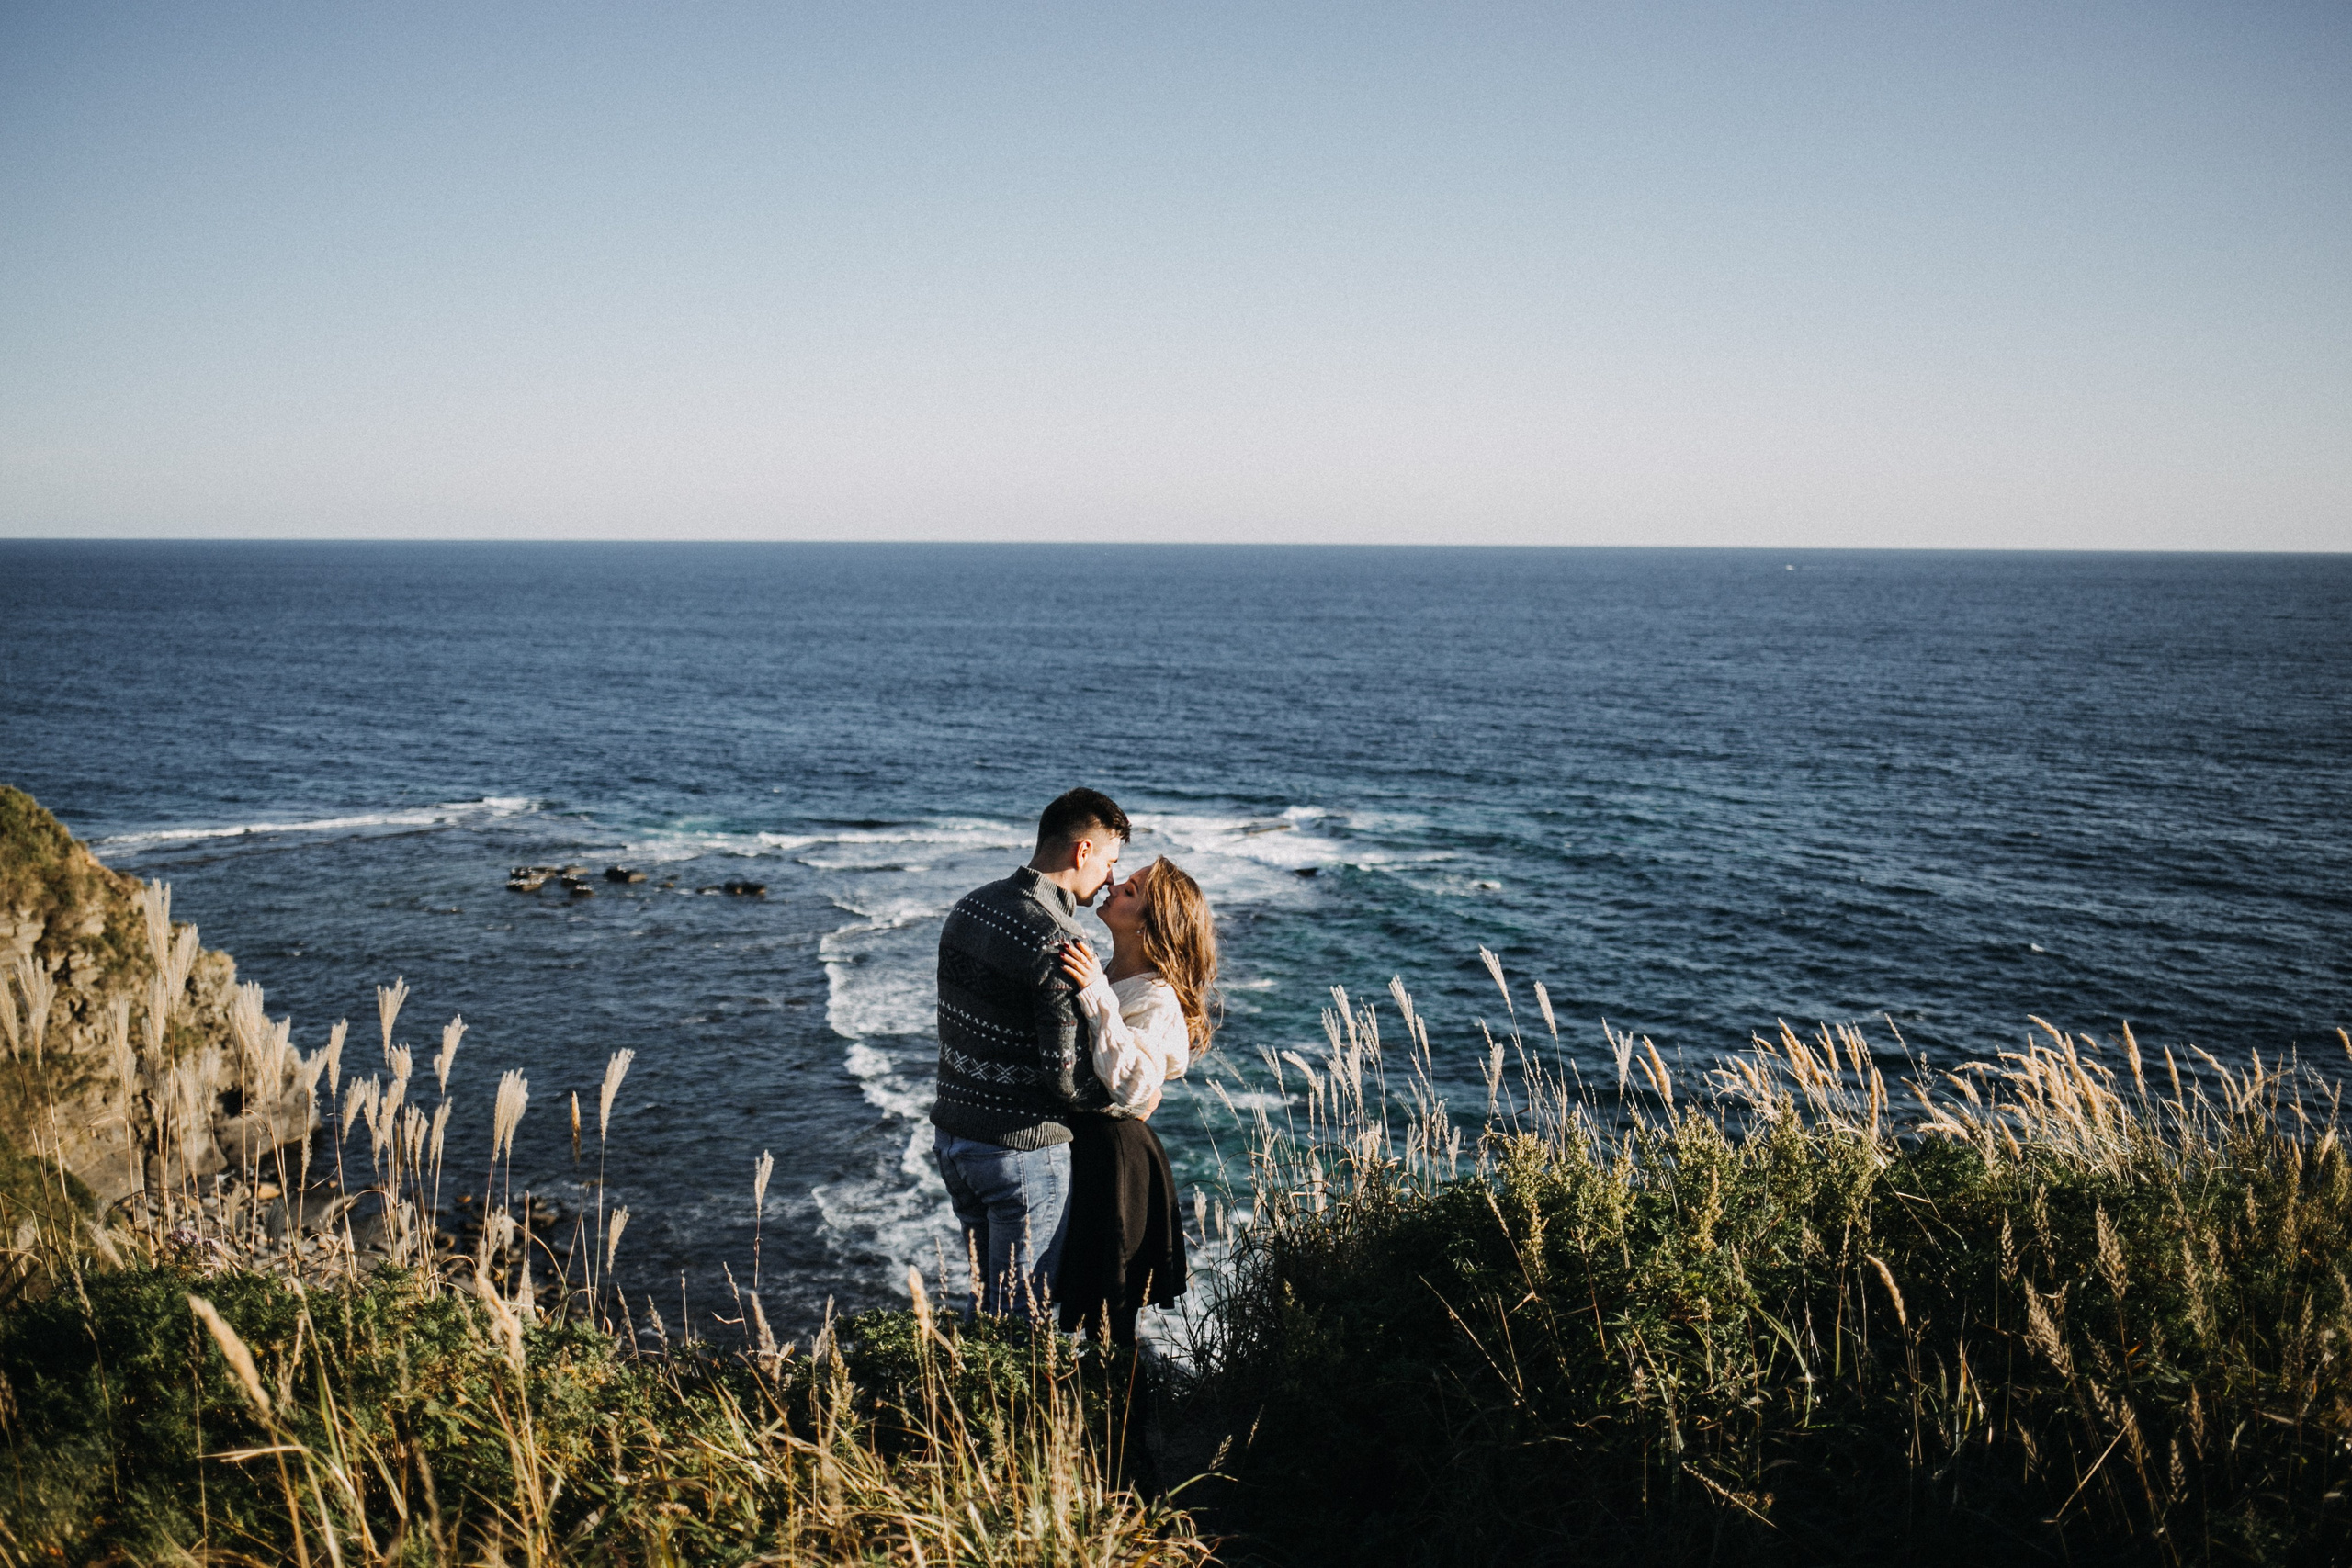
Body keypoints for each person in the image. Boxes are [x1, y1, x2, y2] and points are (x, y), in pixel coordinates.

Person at [931, 787, 1130, 1315]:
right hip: (1019, 1151)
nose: (1111, 877)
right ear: (1081, 852)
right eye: (1110, 861)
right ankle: (1009, 1404)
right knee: (1023, 1318)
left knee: (982, 1307)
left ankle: (960, 1399)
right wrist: (1125, 1103)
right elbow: (1064, 1078)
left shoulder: (970, 904)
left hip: (954, 1139)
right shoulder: (1058, 940)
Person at [1053, 855, 1217, 1346]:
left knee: (1109, 1322)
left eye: (1132, 890)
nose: (1115, 885)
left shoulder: (1157, 996)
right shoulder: (1102, 971)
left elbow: (1134, 1086)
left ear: (1151, 924)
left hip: (1117, 1158)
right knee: (1078, 1308)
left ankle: (1125, 1422)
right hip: (1086, 1148)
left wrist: (1096, 994)